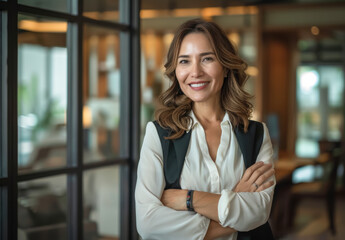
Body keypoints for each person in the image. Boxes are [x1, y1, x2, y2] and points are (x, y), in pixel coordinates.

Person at [135, 18, 276, 240]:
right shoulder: (158, 134)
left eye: (207, 59)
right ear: (176, 71)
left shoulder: (257, 134)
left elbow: (259, 212)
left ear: (226, 67)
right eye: (184, 61)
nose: (195, 72)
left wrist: (189, 199)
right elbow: (148, 224)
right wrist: (237, 200)